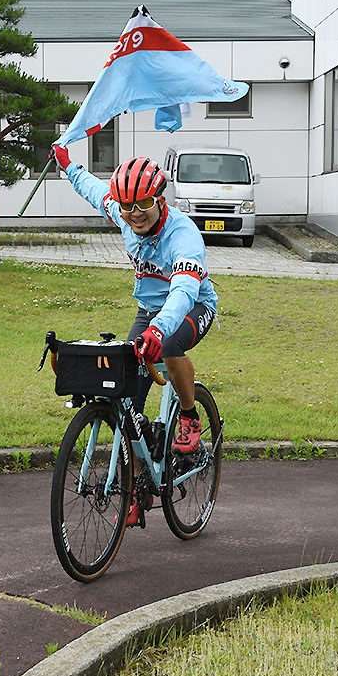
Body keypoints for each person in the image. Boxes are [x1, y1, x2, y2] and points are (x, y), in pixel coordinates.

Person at [53, 143, 218, 527]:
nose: (134, 214)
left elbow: (182, 291)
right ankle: (138, 486)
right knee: (126, 401)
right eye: (127, 207)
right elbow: (97, 193)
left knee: (173, 344)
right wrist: (68, 165)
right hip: (148, 313)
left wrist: (161, 329)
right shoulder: (125, 215)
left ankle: (190, 418)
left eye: (143, 204)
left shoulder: (184, 235)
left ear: (160, 198)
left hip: (192, 307)